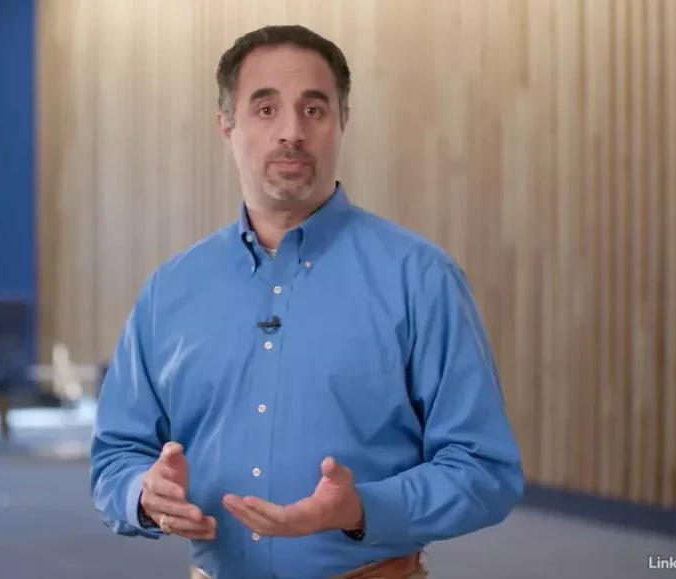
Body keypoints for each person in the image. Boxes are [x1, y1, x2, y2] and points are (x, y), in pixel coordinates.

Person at [90, 24, 524, 579]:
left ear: (342, 121)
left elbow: (484, 470)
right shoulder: (169, 290)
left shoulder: (422, 279)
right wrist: (144, 494)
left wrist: (363, 509)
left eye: (314, 110)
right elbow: (113, 459)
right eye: (265, 109)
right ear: (227, 124)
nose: (291, 132)